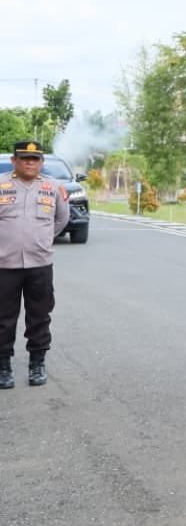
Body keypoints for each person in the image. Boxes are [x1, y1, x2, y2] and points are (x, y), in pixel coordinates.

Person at [0, 140, 69, 389]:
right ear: (14, 161)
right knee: (3, 318)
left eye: (35, 159)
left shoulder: (53, 187)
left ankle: (37, 363)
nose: (30, 163)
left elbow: (62, 219)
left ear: (41, 162)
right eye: (25, 158)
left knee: (39, 316)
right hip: (4, 265)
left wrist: (42, 240)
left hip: (40, 264)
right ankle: (3, 366)